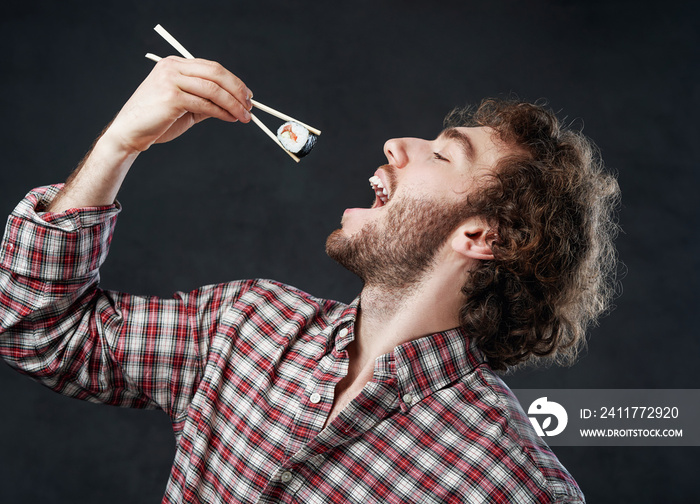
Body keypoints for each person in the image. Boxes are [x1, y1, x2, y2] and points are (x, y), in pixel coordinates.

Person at [0, 56, 619, 503]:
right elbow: (40, 330)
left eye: (441, 153)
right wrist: (119, 146)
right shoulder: (246, 325)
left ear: (482, 237)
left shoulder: (509, 483)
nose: (396, 145)